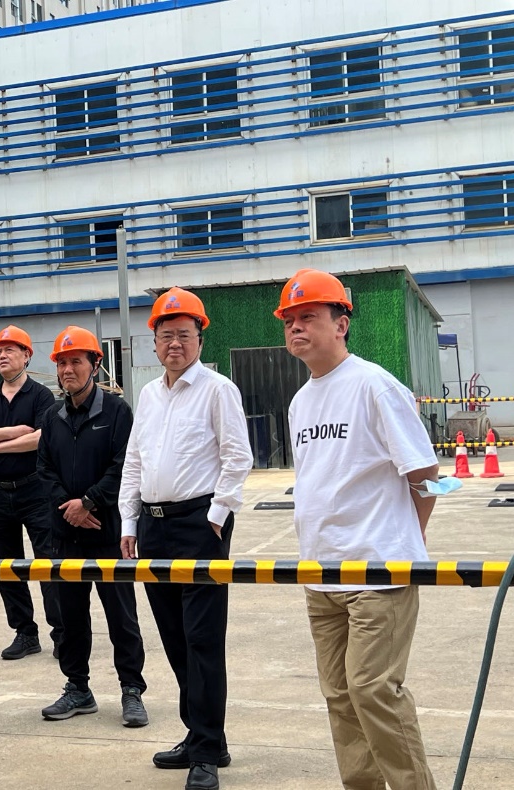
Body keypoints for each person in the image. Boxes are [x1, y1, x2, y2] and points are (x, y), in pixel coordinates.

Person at [276, 268, 439, 790]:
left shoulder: (374, 385)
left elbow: (425, 474)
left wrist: (407, 541)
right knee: (340, 697)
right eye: (289, 320)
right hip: (320, 574)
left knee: (373, 691)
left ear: (341, 324)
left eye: (308, 317)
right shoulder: (301, 402)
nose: (296, 328)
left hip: (379, 572)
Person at [119, 288, 253, 790]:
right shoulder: (149, 395)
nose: (174, 343)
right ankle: (202, 736)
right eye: (165, 335)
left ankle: (206, 753)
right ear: (154, 342)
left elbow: (238, 457)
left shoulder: (219, 390)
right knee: (175, 637)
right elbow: (134, 462)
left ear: (200, 339)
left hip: (200, 524)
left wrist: (217, 516)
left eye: (183, 335)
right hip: (154, 527)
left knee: (202, 639)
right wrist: (129, 522)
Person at [37, 326, 148, 728]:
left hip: (107, 530)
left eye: (75, 362)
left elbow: (124, 467)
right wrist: (70, 509)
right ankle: (78, 688)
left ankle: (131, 690)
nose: (67, 370)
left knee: (122, 616)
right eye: (62, 363)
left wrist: (88, 502)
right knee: (70, 617)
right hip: (65, 533)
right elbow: (44, 470)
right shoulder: (52, 416)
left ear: (95, 365)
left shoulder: (117, 412)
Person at [0, 325, 63, 661]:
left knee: (48, 562)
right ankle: (25, 632)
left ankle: (61, 632)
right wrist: (15, 432)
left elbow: (40, 438)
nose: (2, 356)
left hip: (35, 490)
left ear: (26, 356)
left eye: (9, 350)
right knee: (6, 565)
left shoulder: (41, 396)